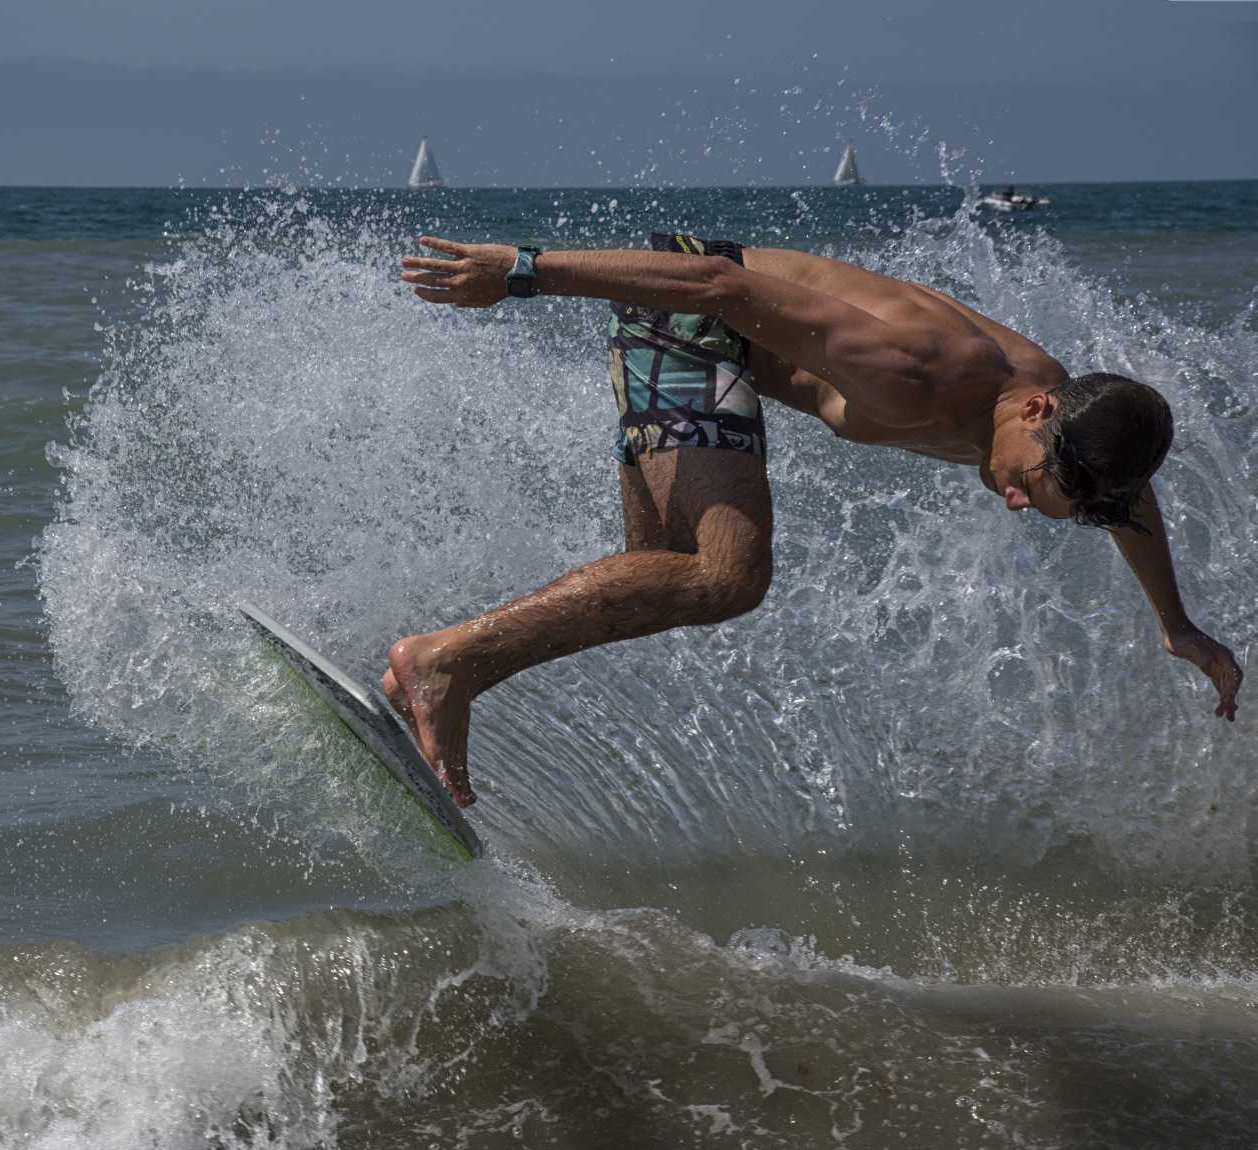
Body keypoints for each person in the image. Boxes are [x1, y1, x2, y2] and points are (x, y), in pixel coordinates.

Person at [386, 232, 1243, 807]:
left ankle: (418, 685)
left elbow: (1130, 502)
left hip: (719, 340)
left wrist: (1176, 624)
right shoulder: (915, 368)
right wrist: (523, 271)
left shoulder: (1065, 428)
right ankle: (442, 662)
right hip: (686, 311)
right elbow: (717, 285)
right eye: (1026, 484)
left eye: (1038, 503)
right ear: (1036, 413)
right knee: (728, 575)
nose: (1014, 500)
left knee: (660, 576)